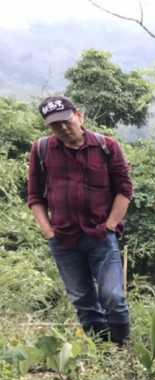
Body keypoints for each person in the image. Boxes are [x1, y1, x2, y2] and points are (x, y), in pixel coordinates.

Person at [26, 96, 133, 344]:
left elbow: (125, 189)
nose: (62, 128)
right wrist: (48, 231)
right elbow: (34, 196)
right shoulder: (41, 149)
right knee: (83, 300)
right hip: (63, 240)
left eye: (66, 121)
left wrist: (110, 226)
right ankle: (103, 352)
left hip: (101, 237)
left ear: (79, 116)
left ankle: (122, 350)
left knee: (113, 298)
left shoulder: (107, 147)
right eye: (55, 125)